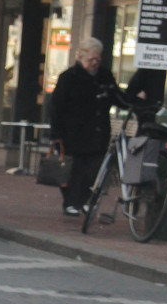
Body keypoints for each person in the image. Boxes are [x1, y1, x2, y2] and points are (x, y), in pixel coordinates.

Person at [49, 37, 129, 216]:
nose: (94, 63)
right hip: (73, 133)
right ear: (81, 58)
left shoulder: (105, 76)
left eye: (97, 60)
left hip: (97, 131)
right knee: (73, 169)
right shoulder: (68, 78)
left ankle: (86, 201)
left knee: (94, 170)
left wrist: (132, 101)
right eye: (90, 60)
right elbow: (56, 107)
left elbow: (116, 96)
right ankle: (71, 202)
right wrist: (55, 133)